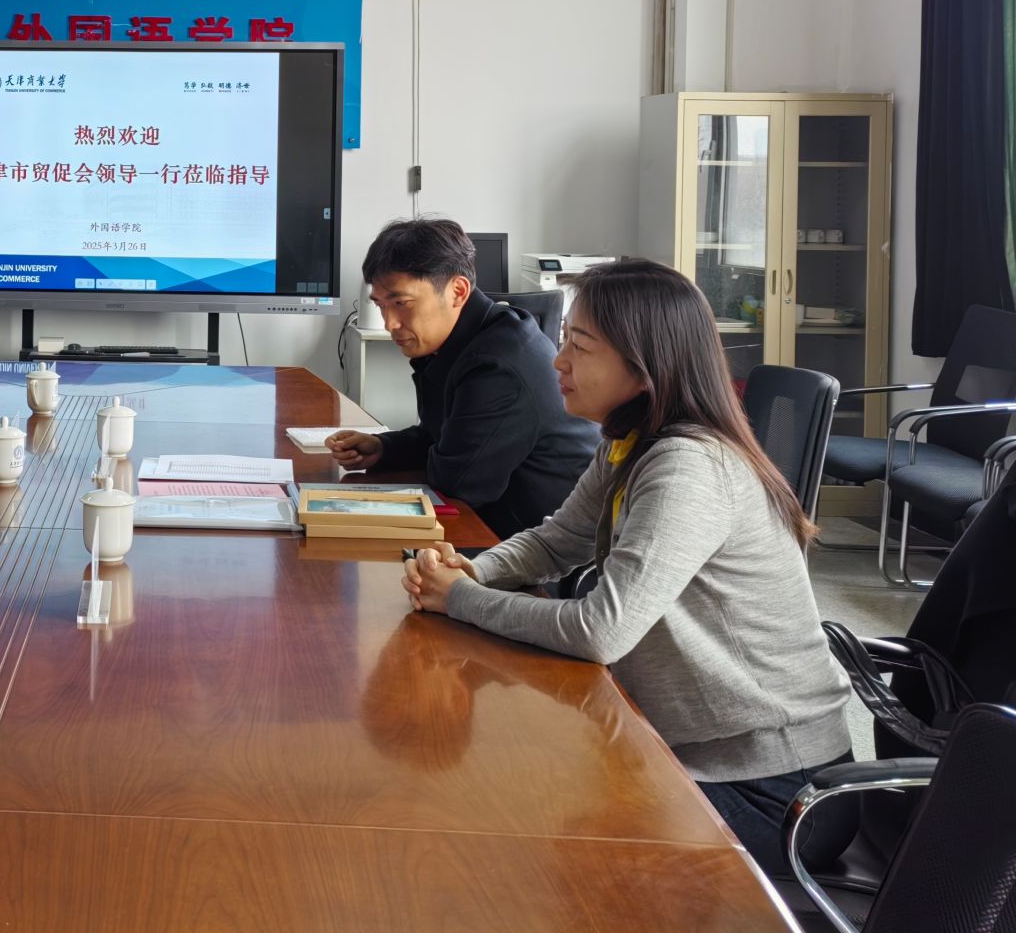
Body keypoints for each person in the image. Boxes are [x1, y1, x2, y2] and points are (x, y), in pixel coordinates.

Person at [402, 258, 856, 880]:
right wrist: (475, 572)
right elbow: (559, 539)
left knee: (521, 829)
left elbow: (601, 630)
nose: (559, 362)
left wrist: (458, 599)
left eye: (580, 347)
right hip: (693, 749)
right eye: (565, 341)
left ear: (644, 368)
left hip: (778, 789)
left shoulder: (687, 466)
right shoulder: (631, 442)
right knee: (507, 791)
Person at [326, 219, 597, 536]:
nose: (390, 323)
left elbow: (458, 482)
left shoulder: (497, 366)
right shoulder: (461, 342)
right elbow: (444, 437)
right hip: (502, 527)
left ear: (457, 291)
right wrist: (383, 448)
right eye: (381, 306)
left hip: (542, 548)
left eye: (401, 303)